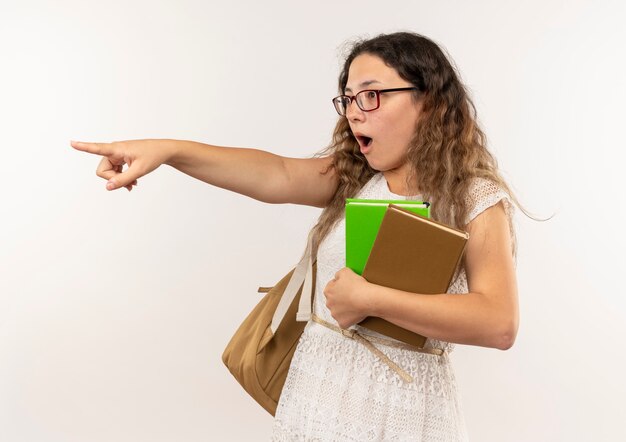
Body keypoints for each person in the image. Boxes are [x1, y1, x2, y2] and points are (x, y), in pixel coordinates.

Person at [72, 31, 520, 441]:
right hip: (315, 403)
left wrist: (370, 300)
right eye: (348, 99)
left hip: (403, 416)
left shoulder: (473, 198)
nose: (354, 112)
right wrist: (169, 150)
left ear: (431, 102)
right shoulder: (356, 178)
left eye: (372, 96)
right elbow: (276, 174)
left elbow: (498, 323)